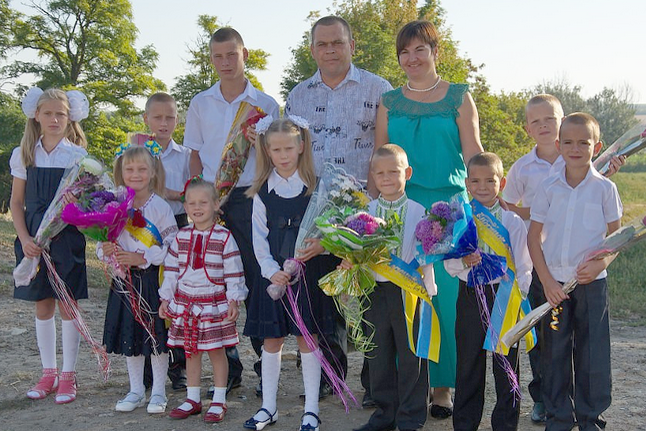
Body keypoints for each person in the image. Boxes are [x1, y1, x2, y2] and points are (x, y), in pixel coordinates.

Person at [374, 19, 483, 418]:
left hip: (449, 210)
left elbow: (473, 153)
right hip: (401, 208)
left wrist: (486, 202)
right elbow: (379, 159)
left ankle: (442, 387)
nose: (412, 58)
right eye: (404, 52)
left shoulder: (459, 96)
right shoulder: (388, 101)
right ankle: (409, 388)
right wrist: (371, 217)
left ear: (436, 52)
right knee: (405, 299)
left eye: (420, 49)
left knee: (445, 301)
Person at [285, 15, 393, 404]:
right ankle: (330, 374)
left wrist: (373, 203)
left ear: (351, 46)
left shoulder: (379, 89)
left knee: (367, 298)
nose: (330, 50)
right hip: (312, 210)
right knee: (322, 297)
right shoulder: (298, 95)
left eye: (337, 43)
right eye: (322, 44)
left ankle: (375, 381)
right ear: (312, 49)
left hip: (362, 208)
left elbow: (384, 147)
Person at [502, 94, 623, 423]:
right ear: (559, 144)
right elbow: (533, 237)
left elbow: (616, 238)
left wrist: (600, 264)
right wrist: (546, 281)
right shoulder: (549, 188)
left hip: (591, 285)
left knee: (592, 353)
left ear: (597, 147)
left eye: (584, 143)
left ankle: (590, 418)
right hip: (554, 285)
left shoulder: (605, 189)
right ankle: (557, 417)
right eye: (568, 142)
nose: (575, 148)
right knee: (554, 354)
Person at [184, 26, 280, 394]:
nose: (225, 62)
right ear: (211, 59)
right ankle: (229, 367)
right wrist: (199, 198)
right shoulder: (200, 103)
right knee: (213, 283)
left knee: (255, 279)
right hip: (211, 200)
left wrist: (261, 144)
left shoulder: (265, 105)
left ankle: (264, 368)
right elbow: (194, 154)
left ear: (245, 55)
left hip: (251, 197)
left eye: (231, 55)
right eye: (218, 56)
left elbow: (278, 158)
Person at [243, 117, 332, 431]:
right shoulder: (261, 191)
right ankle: (268, 407)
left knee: (308, 338)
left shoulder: (317, 187)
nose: (283, 155)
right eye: (276, 150)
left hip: (307, 275)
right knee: (272, 339)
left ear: (301, 147)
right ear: (266, 151)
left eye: (288, 149)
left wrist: (321, 246)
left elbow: (329, 231)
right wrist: (271, 272)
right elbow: (258, 238)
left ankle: (311, 410)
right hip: (274, 278)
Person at [10, 87, 90, 404]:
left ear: (70, 118)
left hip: (66, 238)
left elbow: (83, 207)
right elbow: (16, 203)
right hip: (33, 240)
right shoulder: (24, 154)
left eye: (60, 113)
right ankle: (48, 372)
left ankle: (69, 375)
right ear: (36, 115)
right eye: (48, 113)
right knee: (42, 303)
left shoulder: (77, 157)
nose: (54, 119)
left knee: (68, 304)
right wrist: (25, 239)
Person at [444, 152, 532, 431]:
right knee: (469, 362)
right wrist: (463, 261)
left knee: (506, 364)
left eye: (490, 181)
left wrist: (519, 297)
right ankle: (465, 423)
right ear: (467, 184)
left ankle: (506, 423)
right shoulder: (459, 218)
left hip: (505, 297)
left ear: (501, 183)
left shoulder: (512, 221)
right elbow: (448, 263)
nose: (482, 187)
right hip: (470, 294)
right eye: (476, 181)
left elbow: (524, 263)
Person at [351, 144, 430, 431]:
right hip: (373, 291)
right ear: (372, 176)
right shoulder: (366, 213)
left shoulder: (421, 212)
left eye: (393, 172)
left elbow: (428, 255)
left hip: (409, 292)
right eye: (380, 173)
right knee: (378, 353)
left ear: (407, 173)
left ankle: (411, 416)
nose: (386, 178)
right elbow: (357, 250)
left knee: (411, 355)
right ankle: (385, 414)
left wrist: (428, 289)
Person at [159, 177, 248, 423]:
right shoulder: (181, 236)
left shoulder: (224, 237)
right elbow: (171, 270)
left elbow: (234, 270)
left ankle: (219, 399)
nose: (197, 208)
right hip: (186, 302)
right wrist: (166, 298)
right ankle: (192, 398)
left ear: (216, 204)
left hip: (213, 303)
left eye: (203, 202)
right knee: (191, 351)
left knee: (217, 351)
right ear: (185, 207)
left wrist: (234, 299)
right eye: (192, 203)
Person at [99, 145, 178, 414]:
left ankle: (158, 391)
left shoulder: (161, 207)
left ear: (153, 171)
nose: (135, 174)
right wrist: (106, 250)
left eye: (142, 169)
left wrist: (143, 257)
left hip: (151, 280)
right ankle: (136, 390)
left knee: (156, 338)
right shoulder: (113, 205)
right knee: (130, 337)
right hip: (125, 283)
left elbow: (172, 244)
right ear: (120, 171)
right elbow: (102, 241)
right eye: (129, 169)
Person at [142, 92, 191, 391]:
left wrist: (170, 194)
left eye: (170, 117)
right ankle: (149, 363)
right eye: (157, 117)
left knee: (177, 294)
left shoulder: (186, 155)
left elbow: (192, 193)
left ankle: (178, 365)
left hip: (178, 224)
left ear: (177, 120)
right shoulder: (137, 152)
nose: (164, 123)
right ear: (146, 118)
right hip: (144, 229)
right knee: (150, 296)